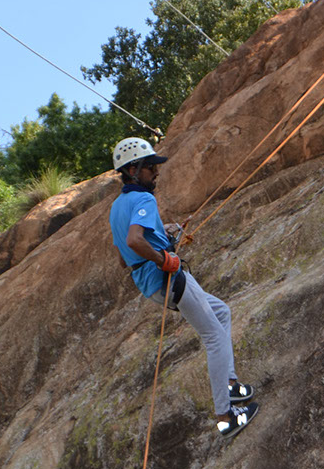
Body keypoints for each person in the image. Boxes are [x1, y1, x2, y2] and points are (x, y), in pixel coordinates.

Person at [109, 137, 258, 439]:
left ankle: (230, 384)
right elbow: (134, 241)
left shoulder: (116, 207)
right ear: (133, 170)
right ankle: (226, 416)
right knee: (214, 337)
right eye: (150, 167)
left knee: (221, 312)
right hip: (167, 278)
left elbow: (124, 258)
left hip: (151, 284)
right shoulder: (144, 199)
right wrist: (163, 258)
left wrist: (161, 235)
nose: (156, 172)